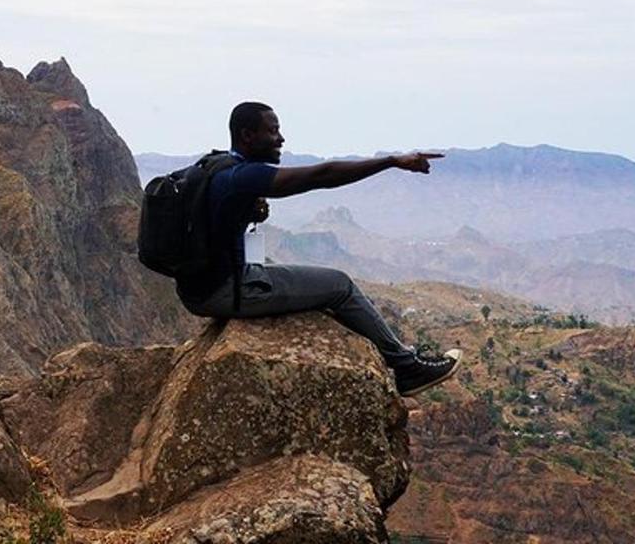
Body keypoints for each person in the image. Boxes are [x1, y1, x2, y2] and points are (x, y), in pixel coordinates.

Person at [179, 101, 462, 397]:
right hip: (226, 292)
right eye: (272, 131)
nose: (281, 139)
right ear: (247, 135)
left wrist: (247, 212)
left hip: (198, 290)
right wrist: (391, 161)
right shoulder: (244, 176)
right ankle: (408, 369)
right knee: (340, 285)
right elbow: (322, 175)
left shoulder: (216, 166)